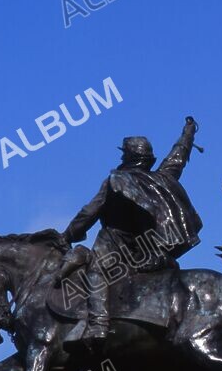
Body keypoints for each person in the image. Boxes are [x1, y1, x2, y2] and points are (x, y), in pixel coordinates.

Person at [62, 117, 203, 349]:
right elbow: (177, 158)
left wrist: (67, 236)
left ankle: (98, 324)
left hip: (118, 247)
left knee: (96, 271)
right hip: (153, 251)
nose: (120, 159)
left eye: (123, 155)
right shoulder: (162, 178)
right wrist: (188, 134)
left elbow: (88, 213)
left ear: (128, 158)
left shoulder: (117, 181)